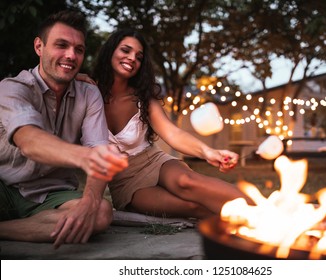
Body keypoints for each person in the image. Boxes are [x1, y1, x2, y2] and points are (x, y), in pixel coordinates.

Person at [92, 28, 252, 219]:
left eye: (139, 56)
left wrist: (208, 152)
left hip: (153, 161)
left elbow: (172, 134)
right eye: (125, 50)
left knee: (187, 181)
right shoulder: (88, 93)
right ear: (111, 51)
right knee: (191, 207)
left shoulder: (143, 97)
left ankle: (269, 213)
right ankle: (243, 222)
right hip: (125, 181)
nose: (132, 58)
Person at [0, 10, 128, 249]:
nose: (71, 55)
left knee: (100, 213)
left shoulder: (89, 93)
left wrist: (89, 201)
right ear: (39, 47)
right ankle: (35, 224)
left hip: (52, 194)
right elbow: (29, 140)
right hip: (5, 186)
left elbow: (98, 147)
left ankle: (6, 229)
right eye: (61, 45)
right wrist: (88, 157)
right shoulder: (12, 88)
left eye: (79, 49)